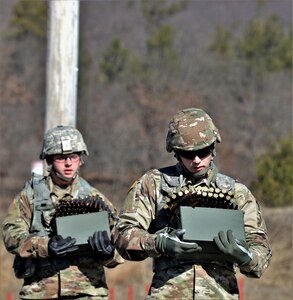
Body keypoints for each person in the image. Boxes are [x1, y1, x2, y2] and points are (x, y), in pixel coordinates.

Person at [114, 108, 272, 299]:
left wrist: (244, 256)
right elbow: (123, 233)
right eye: (188, 154)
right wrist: (159, 243)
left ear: (213, 149)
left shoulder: (237, 193)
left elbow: (260, 250)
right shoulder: (153, 184)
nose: (196, 160)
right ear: (176, 153)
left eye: (202, 152)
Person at [2, 125, 124, 299]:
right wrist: (46, 246)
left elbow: (122, 242)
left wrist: (108, 252)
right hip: (41, 291)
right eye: (61, 158)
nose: (68, 163)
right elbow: (10, 234)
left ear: (80, 159)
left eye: (73, 157)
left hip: (87, 291)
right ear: (50, 160)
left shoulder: (96, 199)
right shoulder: (31, 197)